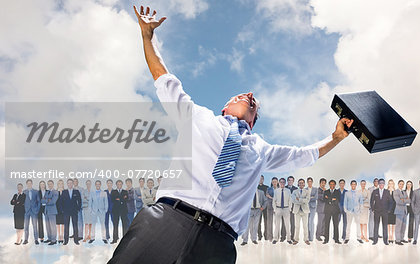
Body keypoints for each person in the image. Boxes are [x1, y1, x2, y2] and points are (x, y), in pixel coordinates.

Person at [108, 5, 353, 263]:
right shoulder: (196, 117)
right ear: (225, 107)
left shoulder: (262, 149)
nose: (248, 96)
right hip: (166, 221)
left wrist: (336, 137)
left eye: (253, 101)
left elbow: (306, 155)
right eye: (241, 95)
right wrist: (147, 37)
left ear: (254, 119)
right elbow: (163, 77)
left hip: (217, 243)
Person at [370, 178, 392, 245]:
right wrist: (373, 209)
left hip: (385, 212)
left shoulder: (387, 192)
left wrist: (389, 210)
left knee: (385, 226)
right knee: (376, 226)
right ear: (378, 184)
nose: (381, 185)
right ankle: (375, 240)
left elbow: (391, 202)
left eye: (382, 183)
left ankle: (385, 241)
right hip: (377, 211)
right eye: (380, 183)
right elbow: (371, 201)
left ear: (384, 184)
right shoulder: (375, 191)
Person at [272, 178, 293, 244]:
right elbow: (274, 201)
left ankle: (289, 239)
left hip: (286, 209)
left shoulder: (288, 191)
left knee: (287, 225)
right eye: (281, 182)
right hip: (278, 209)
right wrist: (275, 209)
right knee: (277, 225)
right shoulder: (276, 191)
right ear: (279, 183)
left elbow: (290, 200)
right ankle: (275, 239)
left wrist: (289, 209)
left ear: (285, 183)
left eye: (283, 182)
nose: (282, 183)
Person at [61, 179, 82, 245]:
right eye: (68, 183)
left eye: (71, 183)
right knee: (66, 226)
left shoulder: (76, 191)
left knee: (75, 226)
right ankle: (66, 241)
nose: (70, 184)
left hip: (74, 211)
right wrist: (62, 210)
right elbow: (61, 202)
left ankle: (76, 240)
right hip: (66, 212)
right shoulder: (64, 192)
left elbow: (79, 201)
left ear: (73, 184)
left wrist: (78, 208)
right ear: (67, 184)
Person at [291, 178, 310, 245]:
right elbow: (293, 200)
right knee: (297, 226)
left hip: (305, 211)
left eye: (302, 183)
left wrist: (299, 199)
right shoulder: (294, 191)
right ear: (298, 184)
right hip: (297, 211)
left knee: (305, 226)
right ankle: (296, 239)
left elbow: (307, 200)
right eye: (300, 183)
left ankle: (306, 239)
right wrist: (302, 200)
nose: (301, 184)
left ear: (304, 184)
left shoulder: (307, 191)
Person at [111, 180, 129, 244]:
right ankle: (115, 239)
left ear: (122, 184)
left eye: (120, 184)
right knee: (115, 225)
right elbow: (113, 199)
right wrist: (122, 198)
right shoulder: (113, 191)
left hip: (123, 210)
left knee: (124, 225)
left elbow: (126, 199)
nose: (119, 185)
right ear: (116, 185)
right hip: (115, 210)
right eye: (118, 184)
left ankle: (125, 240)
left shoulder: (125, 191)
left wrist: (119, 199)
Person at [323, 180, 341, 244]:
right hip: (327, 211)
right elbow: (324, 200)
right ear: (329, 185)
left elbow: (338, 200)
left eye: (333, 184)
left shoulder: (337, 192)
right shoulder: (326, 191)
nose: (332, 185)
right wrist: (332, 199)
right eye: (331, 184)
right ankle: (326, 240)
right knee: (326, 225)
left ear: (335, 185)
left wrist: (329, 199)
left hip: (335, 211)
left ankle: (336, 239)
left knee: (336, 225)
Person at [23, 179, 40, 245]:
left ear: (32, 184)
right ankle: (26, 239)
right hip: (26, 211)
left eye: (30, 183)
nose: (29, 184)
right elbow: (23, 202)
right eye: (28, 183)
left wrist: (37, 209)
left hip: (34, 211)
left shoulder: (36, 191)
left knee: (35, 226)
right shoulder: (24, 192)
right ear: (26, 184)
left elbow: (38, 201)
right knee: (26, 226)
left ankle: (36, 239)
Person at [42, 180, 58, 245]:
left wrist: (46, 200)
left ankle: (54, 240)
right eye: (48, 184)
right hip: (46, 211)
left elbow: (53, 201)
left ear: (53, 184)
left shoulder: (55, 192)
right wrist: (48, 200)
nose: (49, 185)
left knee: (53, 226)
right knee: (47, 226)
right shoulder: (47, 192)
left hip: (52, 211)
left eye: (51, 184)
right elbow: (42, 200)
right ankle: (49, 238)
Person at [393, 180, 409, 245]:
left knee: (403, 226)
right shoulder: (395, 192)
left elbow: (409, 200)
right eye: (400, 184)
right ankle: (397, 240)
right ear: (398, 184)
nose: (401, 185)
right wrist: (404, 200)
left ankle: (402, 238)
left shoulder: (404, 192)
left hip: (405, 211)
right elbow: (398, 201)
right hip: (399, 211)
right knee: (398, 226)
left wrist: (403, 200)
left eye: (402, 184)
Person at [284, 175, 297, 242]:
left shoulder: (296, 189)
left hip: (293, 208)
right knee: (284, 223)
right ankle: (283, 236)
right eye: (289, 180)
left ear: (293, 181)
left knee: (292, 223)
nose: (290, 182)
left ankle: (292, 237)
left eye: (291, 180)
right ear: (287, 181)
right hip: (285, 208)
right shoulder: (284, 188)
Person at [265, 177, 278, 242]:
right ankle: (270, 237)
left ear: (277, 182)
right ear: (272, 182)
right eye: (273, 182)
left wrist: (271, 197)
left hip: (277, 207)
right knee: (269, 222)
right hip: (270, 207)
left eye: (275, 181)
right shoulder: (268, 189)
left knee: (277, 222)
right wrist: (273, 198)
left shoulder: (279, 189)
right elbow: (267, 197)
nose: (274, 183)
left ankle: (276, 236)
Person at [305, 177, 317, 242]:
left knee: (311, 221)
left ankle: (311, 237)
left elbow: (316, 197)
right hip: (306, 207)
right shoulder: (305, 189)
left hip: (313, 207)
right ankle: (307, 237)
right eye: (308, 181)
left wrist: (308, 198)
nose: (310, 182)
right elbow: (304, 198)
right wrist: (311, 197)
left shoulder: (315, 189)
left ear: (312, 182)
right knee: (307, 222)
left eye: (311, 181)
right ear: (307, 182)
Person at [257, 175, 269, 241]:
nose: (260, 180)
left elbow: (268, 197)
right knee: (258, 222)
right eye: (259, 179)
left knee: (266, 222)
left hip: (266, 207)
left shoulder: (266, 187)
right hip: (258, 207)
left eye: (262, 179)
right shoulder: (255, 187)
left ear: (263, 180)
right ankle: (259, 235)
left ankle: (266, 235)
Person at [387, 179, 396, 243]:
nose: (390, 184)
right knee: (388, 223)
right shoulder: (386, 192)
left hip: (394, 209)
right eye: (389, 183)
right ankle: (388, 236)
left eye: (392, 183)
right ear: (388, 184)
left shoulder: (395, 192)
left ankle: (392, 236)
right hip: (387, 209)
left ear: (393, 184)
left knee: (393, 223)